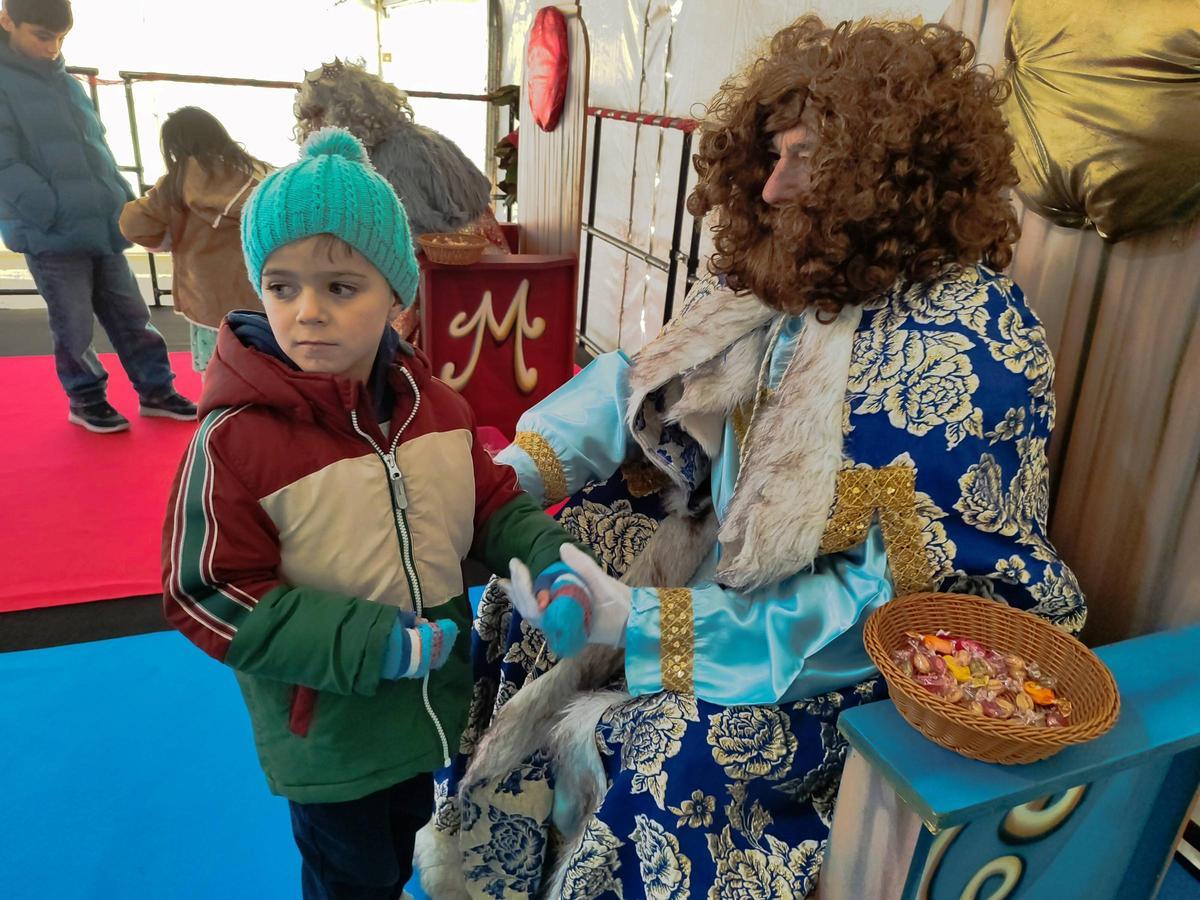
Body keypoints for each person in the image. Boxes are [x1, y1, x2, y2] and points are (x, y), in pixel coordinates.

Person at [418, 16, 1087, 899]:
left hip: (866, 662)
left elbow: (892, 611)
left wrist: (645, 626)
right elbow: (638, 378)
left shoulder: (970, 346)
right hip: (737, 581)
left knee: (671, 751)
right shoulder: (793, 272)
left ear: (889, 175)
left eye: (802, 161)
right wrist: (508, 478)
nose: (771, 189)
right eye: (770, 156)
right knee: (544, 563)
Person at [160, 127, 591, 900]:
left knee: (396, 858)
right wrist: (370, 645)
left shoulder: (437, 411)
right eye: (281, 286)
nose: (307, 313)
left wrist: (553, 563)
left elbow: (489, 503)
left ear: (397, 295)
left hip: (426, 714)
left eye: (340, 287)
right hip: (328, 733)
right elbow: (208, 593)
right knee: (349, 880)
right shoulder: (235, 442)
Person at [0, 0, 195, 432]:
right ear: (6, 20)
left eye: (62, 38)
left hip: (101, 223)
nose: (53, 48)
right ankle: (86, 399)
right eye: (42, 36)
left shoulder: (67, 83)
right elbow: (4, 165)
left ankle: (156, 389)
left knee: (131, 314)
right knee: (73, 325)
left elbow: (98, 151)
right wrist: (48, 209)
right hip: (49, 233)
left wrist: (123, 203)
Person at [120, 107, 271, 373]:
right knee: (268, 369)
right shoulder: (257, 171)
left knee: (218, 375)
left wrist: (166, 235)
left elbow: (135, 224)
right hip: (262, 296)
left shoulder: (176, 183)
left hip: (207, 298)